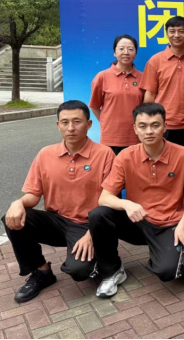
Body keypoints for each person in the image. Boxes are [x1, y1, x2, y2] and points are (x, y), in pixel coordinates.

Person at [2, 101, 115, 302]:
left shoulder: (104, 154)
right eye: (65, 122)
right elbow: (33, 196)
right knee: (13, 218)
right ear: (58, 125)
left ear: (89, 124)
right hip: (56, 221)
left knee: (79, 271)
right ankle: (42, 272)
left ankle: (105, 260)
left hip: (86, 225)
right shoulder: (45, 154)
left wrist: (92, 233)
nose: (70, 128)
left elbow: (110, 200)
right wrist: (17, 203)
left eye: (77, 121)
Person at [88, 103, 184, 298]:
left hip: (168, 224)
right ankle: (112, 271)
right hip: (137, 222)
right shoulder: (126, 156)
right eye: (143, 126)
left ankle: (164, 253)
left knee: (167, 272)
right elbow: (104, 197)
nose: (149, 131)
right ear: (135, 129)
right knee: (98, 215)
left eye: (155, 125)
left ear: (165, 126)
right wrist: (126, 204)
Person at [141, 16, 184, 156]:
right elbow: (150, 94)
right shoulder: (155, 61)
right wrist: (149, 122)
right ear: (166, 34)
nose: (176, 35)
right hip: (162, 126)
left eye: (181, 31)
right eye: (172, 31)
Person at [89, 35, 145, 155]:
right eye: (121, 49)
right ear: (115, 52)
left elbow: (146, 107)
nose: (126, 52)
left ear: (136, 53)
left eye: (130, 49)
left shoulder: (143, 77)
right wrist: (106, 122)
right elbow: (94, 106)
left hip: (136, 136)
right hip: (111, 138)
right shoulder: (102, 77)